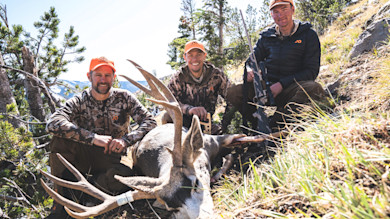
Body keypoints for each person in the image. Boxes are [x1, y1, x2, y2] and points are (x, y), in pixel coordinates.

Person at [45, 57, 157, 218]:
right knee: (59, 140)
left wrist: (126, 140)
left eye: (107, 75)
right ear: (89, 76)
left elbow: (150, 121)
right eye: (98, 75)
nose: (103, 80)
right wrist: (92, 138)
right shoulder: (80, 100)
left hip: (113, 156)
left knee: (126, 178)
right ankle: (60, 200)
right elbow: (53, 123)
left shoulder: (124, 97)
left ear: (114, 78)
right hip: (85, 153)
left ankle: (89, 190)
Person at [229, 0, 326, 132]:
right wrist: (249, 70)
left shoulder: (308, 35)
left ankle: (277, 123)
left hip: (292, 89)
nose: (281, 15)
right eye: (276, 11)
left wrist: (282, 84)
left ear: (292, 9)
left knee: (314, 88)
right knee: (234, 92)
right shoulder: (266, 37)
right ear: (272, 15)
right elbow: (251, 61)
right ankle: (255, 123)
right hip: (266, 89)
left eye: (284, 9)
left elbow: (311, 71)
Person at [163, 40, 232, 134]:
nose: (195, 59)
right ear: (185, 57)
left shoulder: (216, 75)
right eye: (190, 55)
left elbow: (232, 97)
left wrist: (224, 125)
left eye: (198, 55)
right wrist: (189, 109)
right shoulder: (178, 78)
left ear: (204, 56)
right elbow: (168, 104)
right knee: (167, 117)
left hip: (207, 124)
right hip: (184, 123)